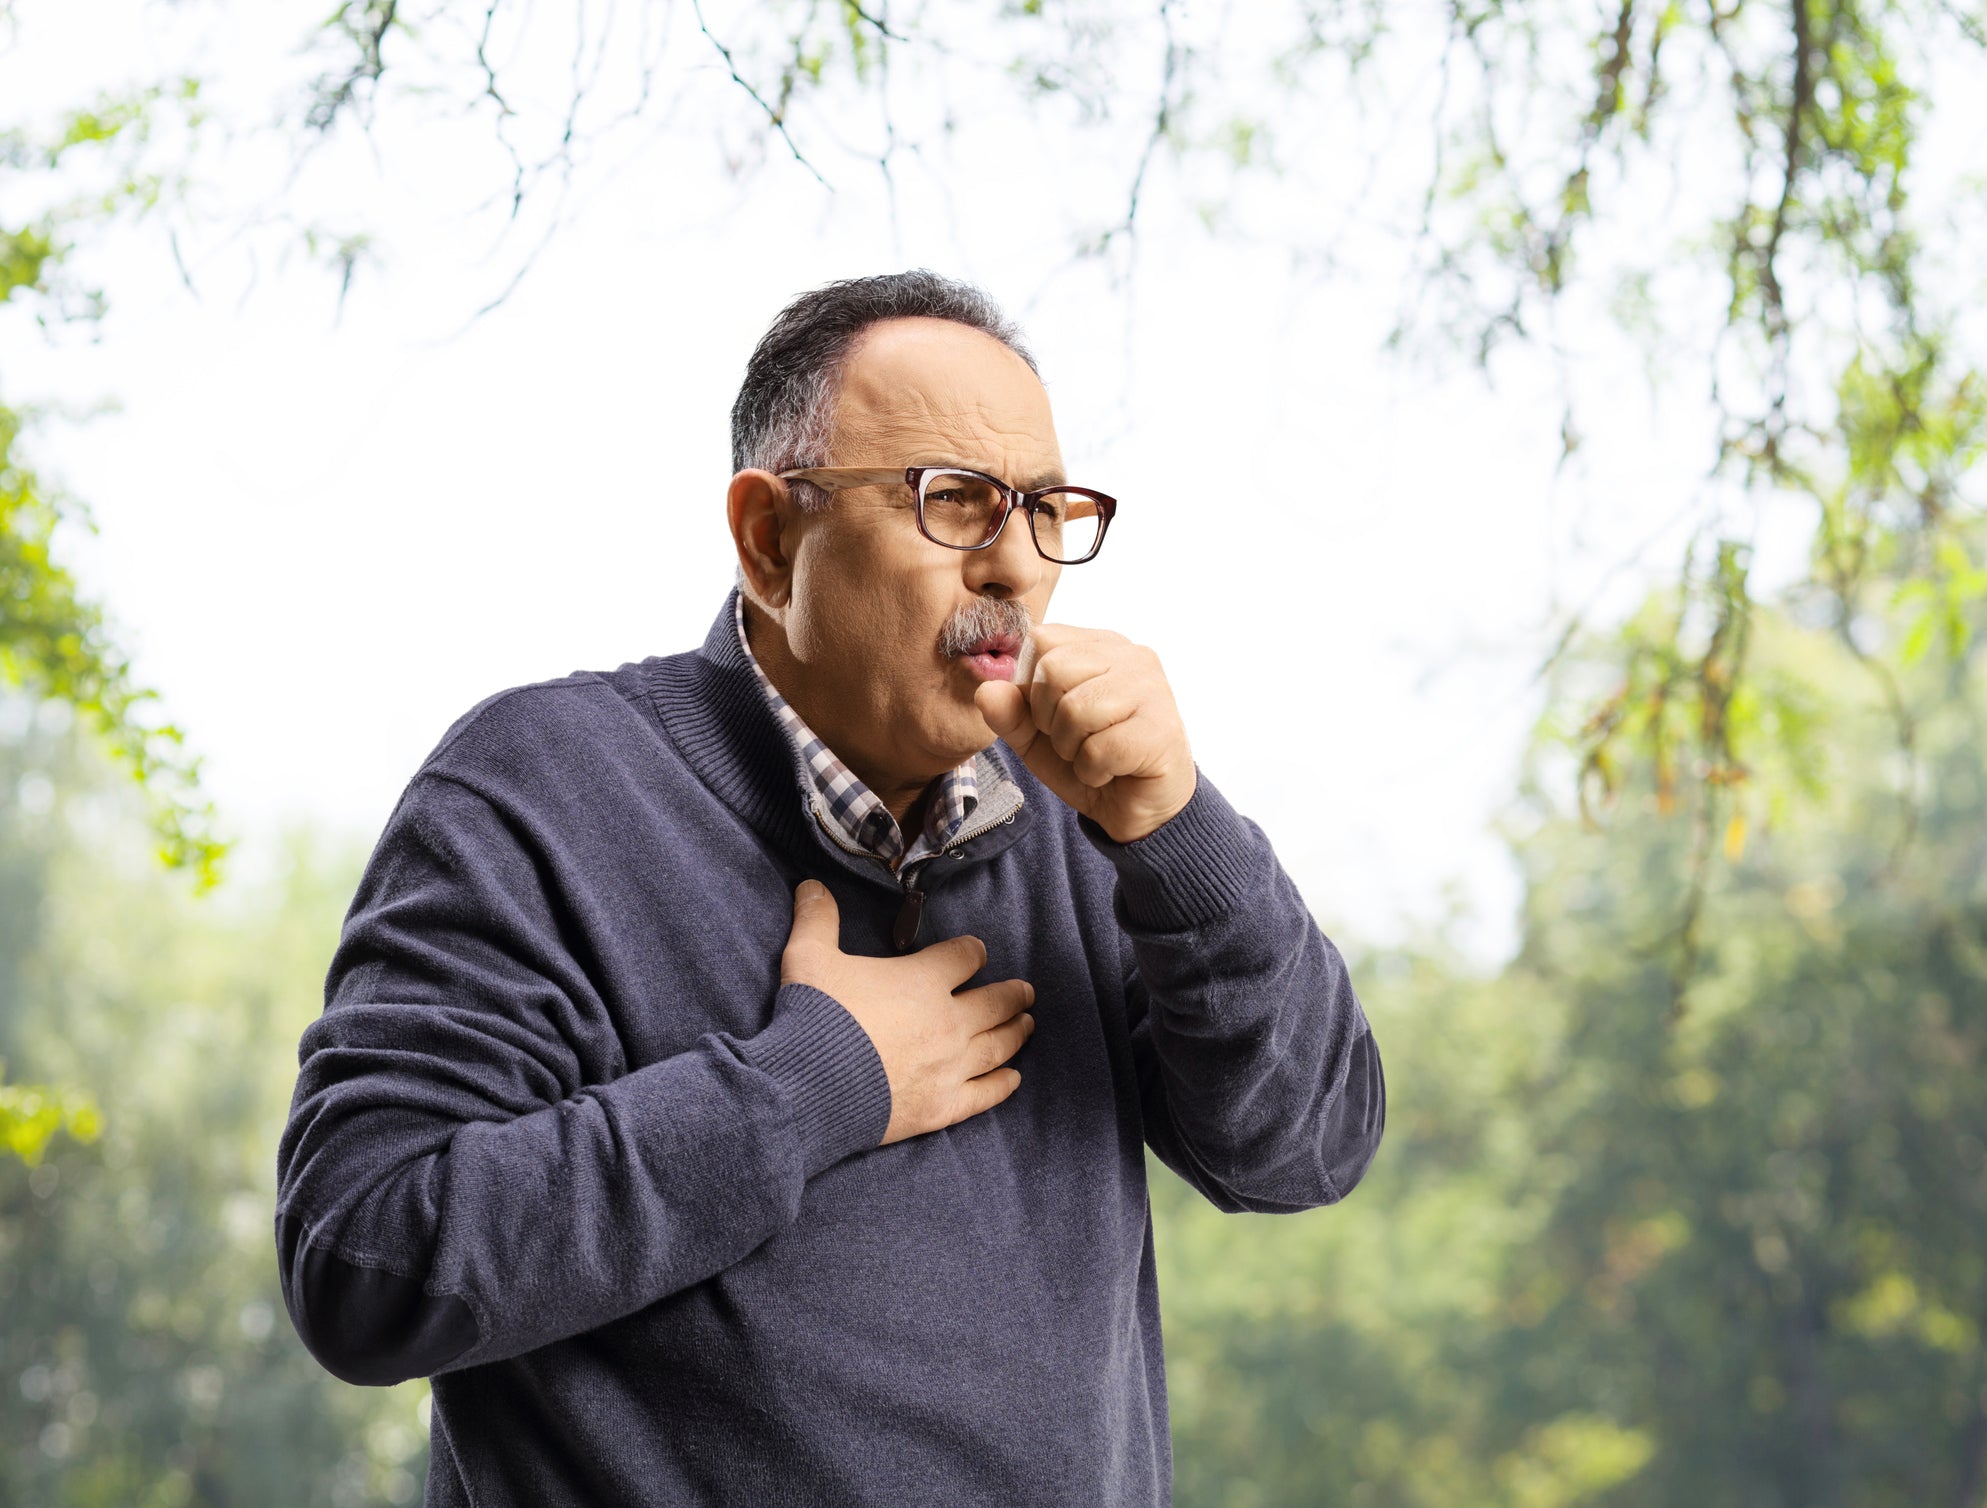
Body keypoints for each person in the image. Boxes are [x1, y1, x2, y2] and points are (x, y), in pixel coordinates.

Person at [274, 269, 1385, 1506]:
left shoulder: (1091, 821)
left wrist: (1178, 834)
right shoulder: (541, 788)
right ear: (768, 539)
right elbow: (364, 1259)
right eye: (954, 501)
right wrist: (811, 1086)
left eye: (1046, 510)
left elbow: (1306, 1149)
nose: (1016, 563)